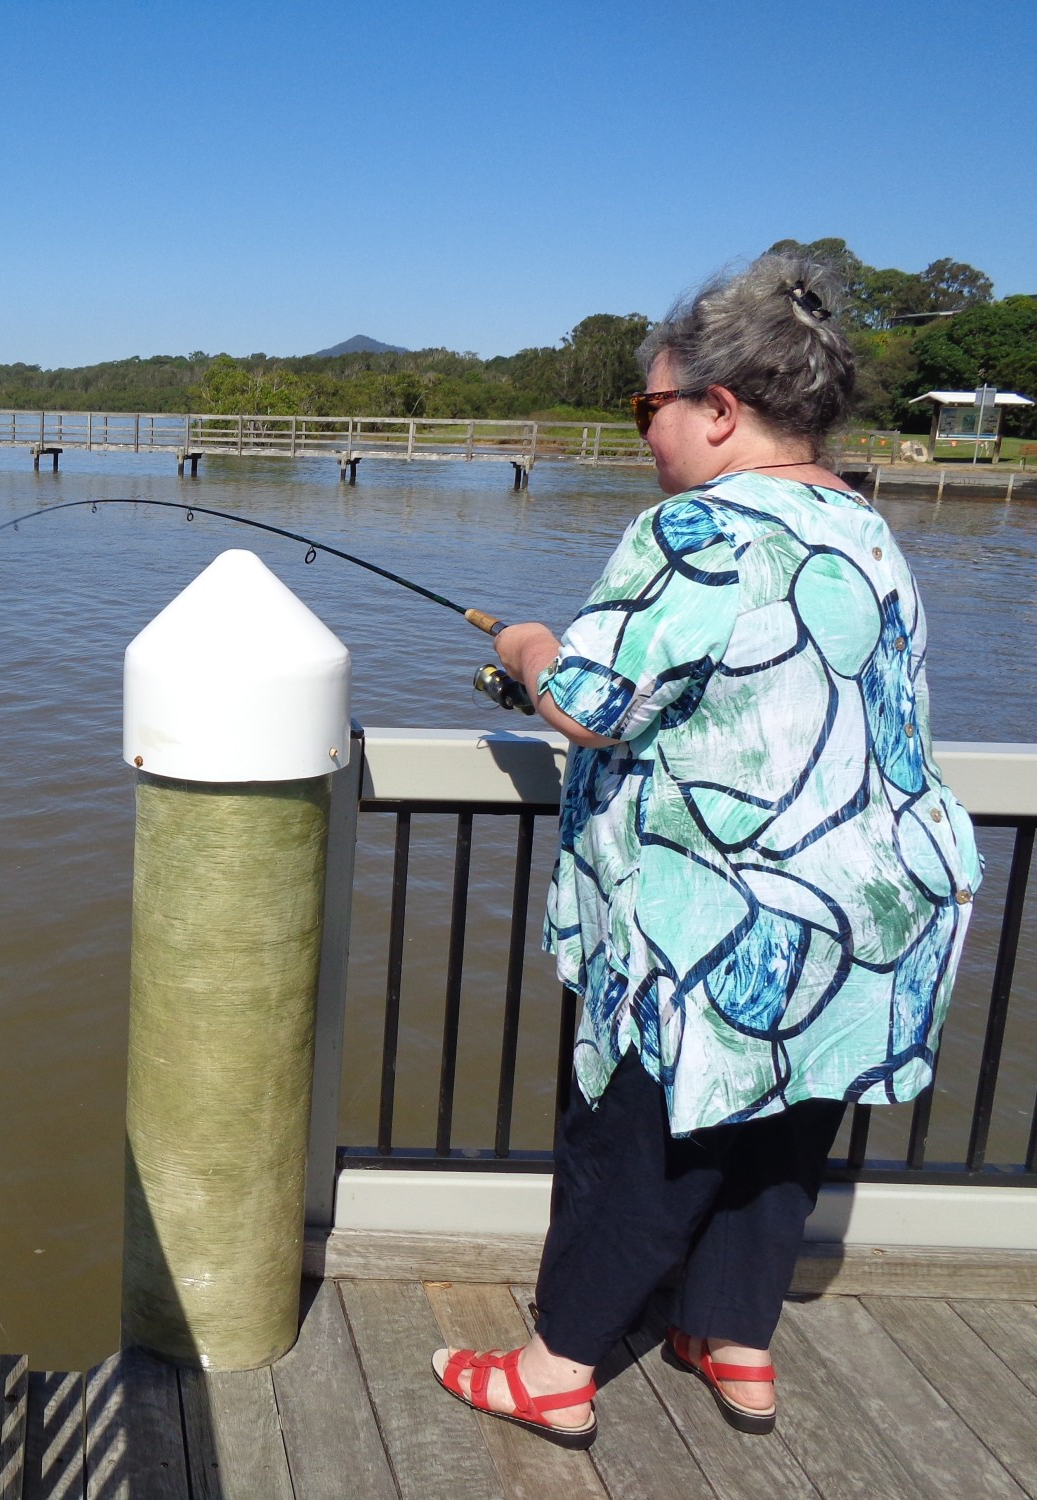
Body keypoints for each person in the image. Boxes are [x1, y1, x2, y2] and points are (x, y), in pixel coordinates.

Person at [430, 253, 982, 1448]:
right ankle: (730, 1339)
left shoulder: (694, 527)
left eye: (649, 409)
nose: (644, 438)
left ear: (718, 410)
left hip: (718, 918)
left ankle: (553, 1368)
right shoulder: (861, 526)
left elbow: (588, 701)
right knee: (782, 1130)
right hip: (870, 913)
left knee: (635, 1139)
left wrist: (525, 645)